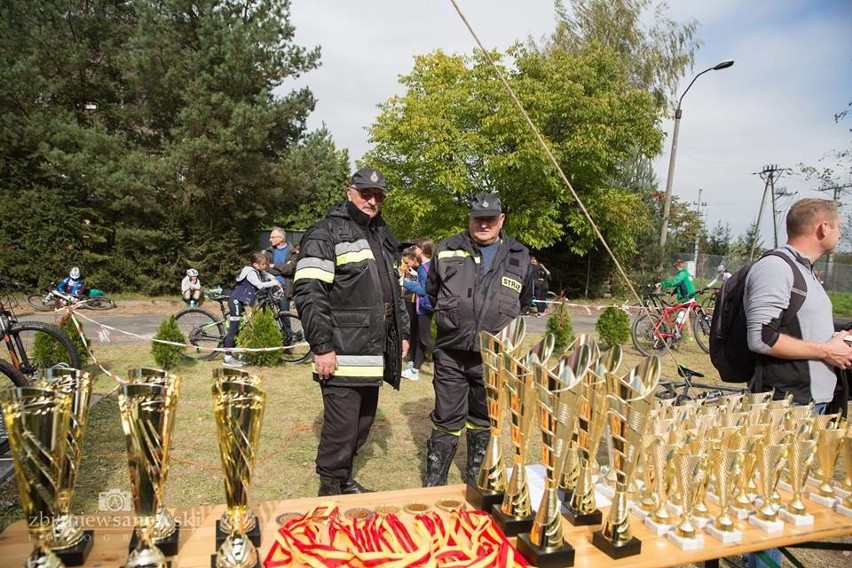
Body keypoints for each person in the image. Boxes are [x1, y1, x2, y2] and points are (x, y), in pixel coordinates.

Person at [742, 198, 852, 568]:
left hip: (808, 404)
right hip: (785, 405)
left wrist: (839, 339)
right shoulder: (776, 268)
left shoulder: (805, 271)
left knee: (784, 499)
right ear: (822, 228)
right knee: (769, 500)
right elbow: (761, 337)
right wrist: (826, 351)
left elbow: (804, 329)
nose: (840, 232)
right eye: (838, 225)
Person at [293, 167, 410, 497]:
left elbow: (394, 288)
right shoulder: (325, 232)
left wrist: (401, 333)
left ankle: (343, 479)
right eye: (365, 193)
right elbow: (309, 291)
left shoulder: (381, 234)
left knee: (362, 423)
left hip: (372, 351)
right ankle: (330, 489)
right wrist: (322, 345)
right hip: (342, 349)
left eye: (378, 196)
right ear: (350, 192)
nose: (372, 201)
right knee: (342, 427)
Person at [423, 193, 532, 486]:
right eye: (478, 218)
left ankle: (476, 477)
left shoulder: (519, 255)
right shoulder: (446, 248)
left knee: (483, 418)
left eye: (490, 219)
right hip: (451, 352)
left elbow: (524, 299)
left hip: (493, 357)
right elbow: (432, 292)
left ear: (501, 220)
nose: (484, 224)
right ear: (469, 219)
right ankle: (435, 481)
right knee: (446, 418)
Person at [222, 252, 282, 368]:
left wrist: (275, 280)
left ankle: (239, 353)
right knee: (234, 328)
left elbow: (267, 275)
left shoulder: (258, 270)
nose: (265, 266)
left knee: (244, 327)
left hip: (241, 301)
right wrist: (274, 283)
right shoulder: (250, 273)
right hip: (236, 301)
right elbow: (259, 285)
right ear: (255, 264)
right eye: (263, 264)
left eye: (265, 264)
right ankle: (227, 357)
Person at [401, 237, 435, 381]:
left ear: (422, 250)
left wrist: (404, 282)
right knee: (422, 338)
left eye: (416, 248)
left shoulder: (423, 267)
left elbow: (422, 290)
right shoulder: (429, 265)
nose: (414, 250)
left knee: (425, 339)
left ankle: (446, 360)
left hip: (424, 307)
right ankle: (415, 368)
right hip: (426, 306)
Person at [400, 246, 420, 375]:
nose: (405, 265)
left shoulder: (420, 270)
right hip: (406, 300)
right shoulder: (407, 269)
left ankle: (415, 361)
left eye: (407, 262)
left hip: (414, 303)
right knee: (409, 331)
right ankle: (410, 358)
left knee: (416, 333)